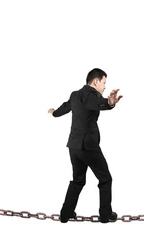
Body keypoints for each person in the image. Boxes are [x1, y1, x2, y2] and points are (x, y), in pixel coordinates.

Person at [48, 68, 123, 223]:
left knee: (78, 180)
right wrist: (109, 102)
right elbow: (96, 103)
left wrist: (54, 113)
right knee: (105, 179)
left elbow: (66, 106)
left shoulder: (75, 94)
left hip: (74, 146)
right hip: (88, 146)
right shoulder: (91, 95)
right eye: (104, 83)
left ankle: (66, 213)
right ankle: (105, 214)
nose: (104, 87)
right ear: (96, 81)